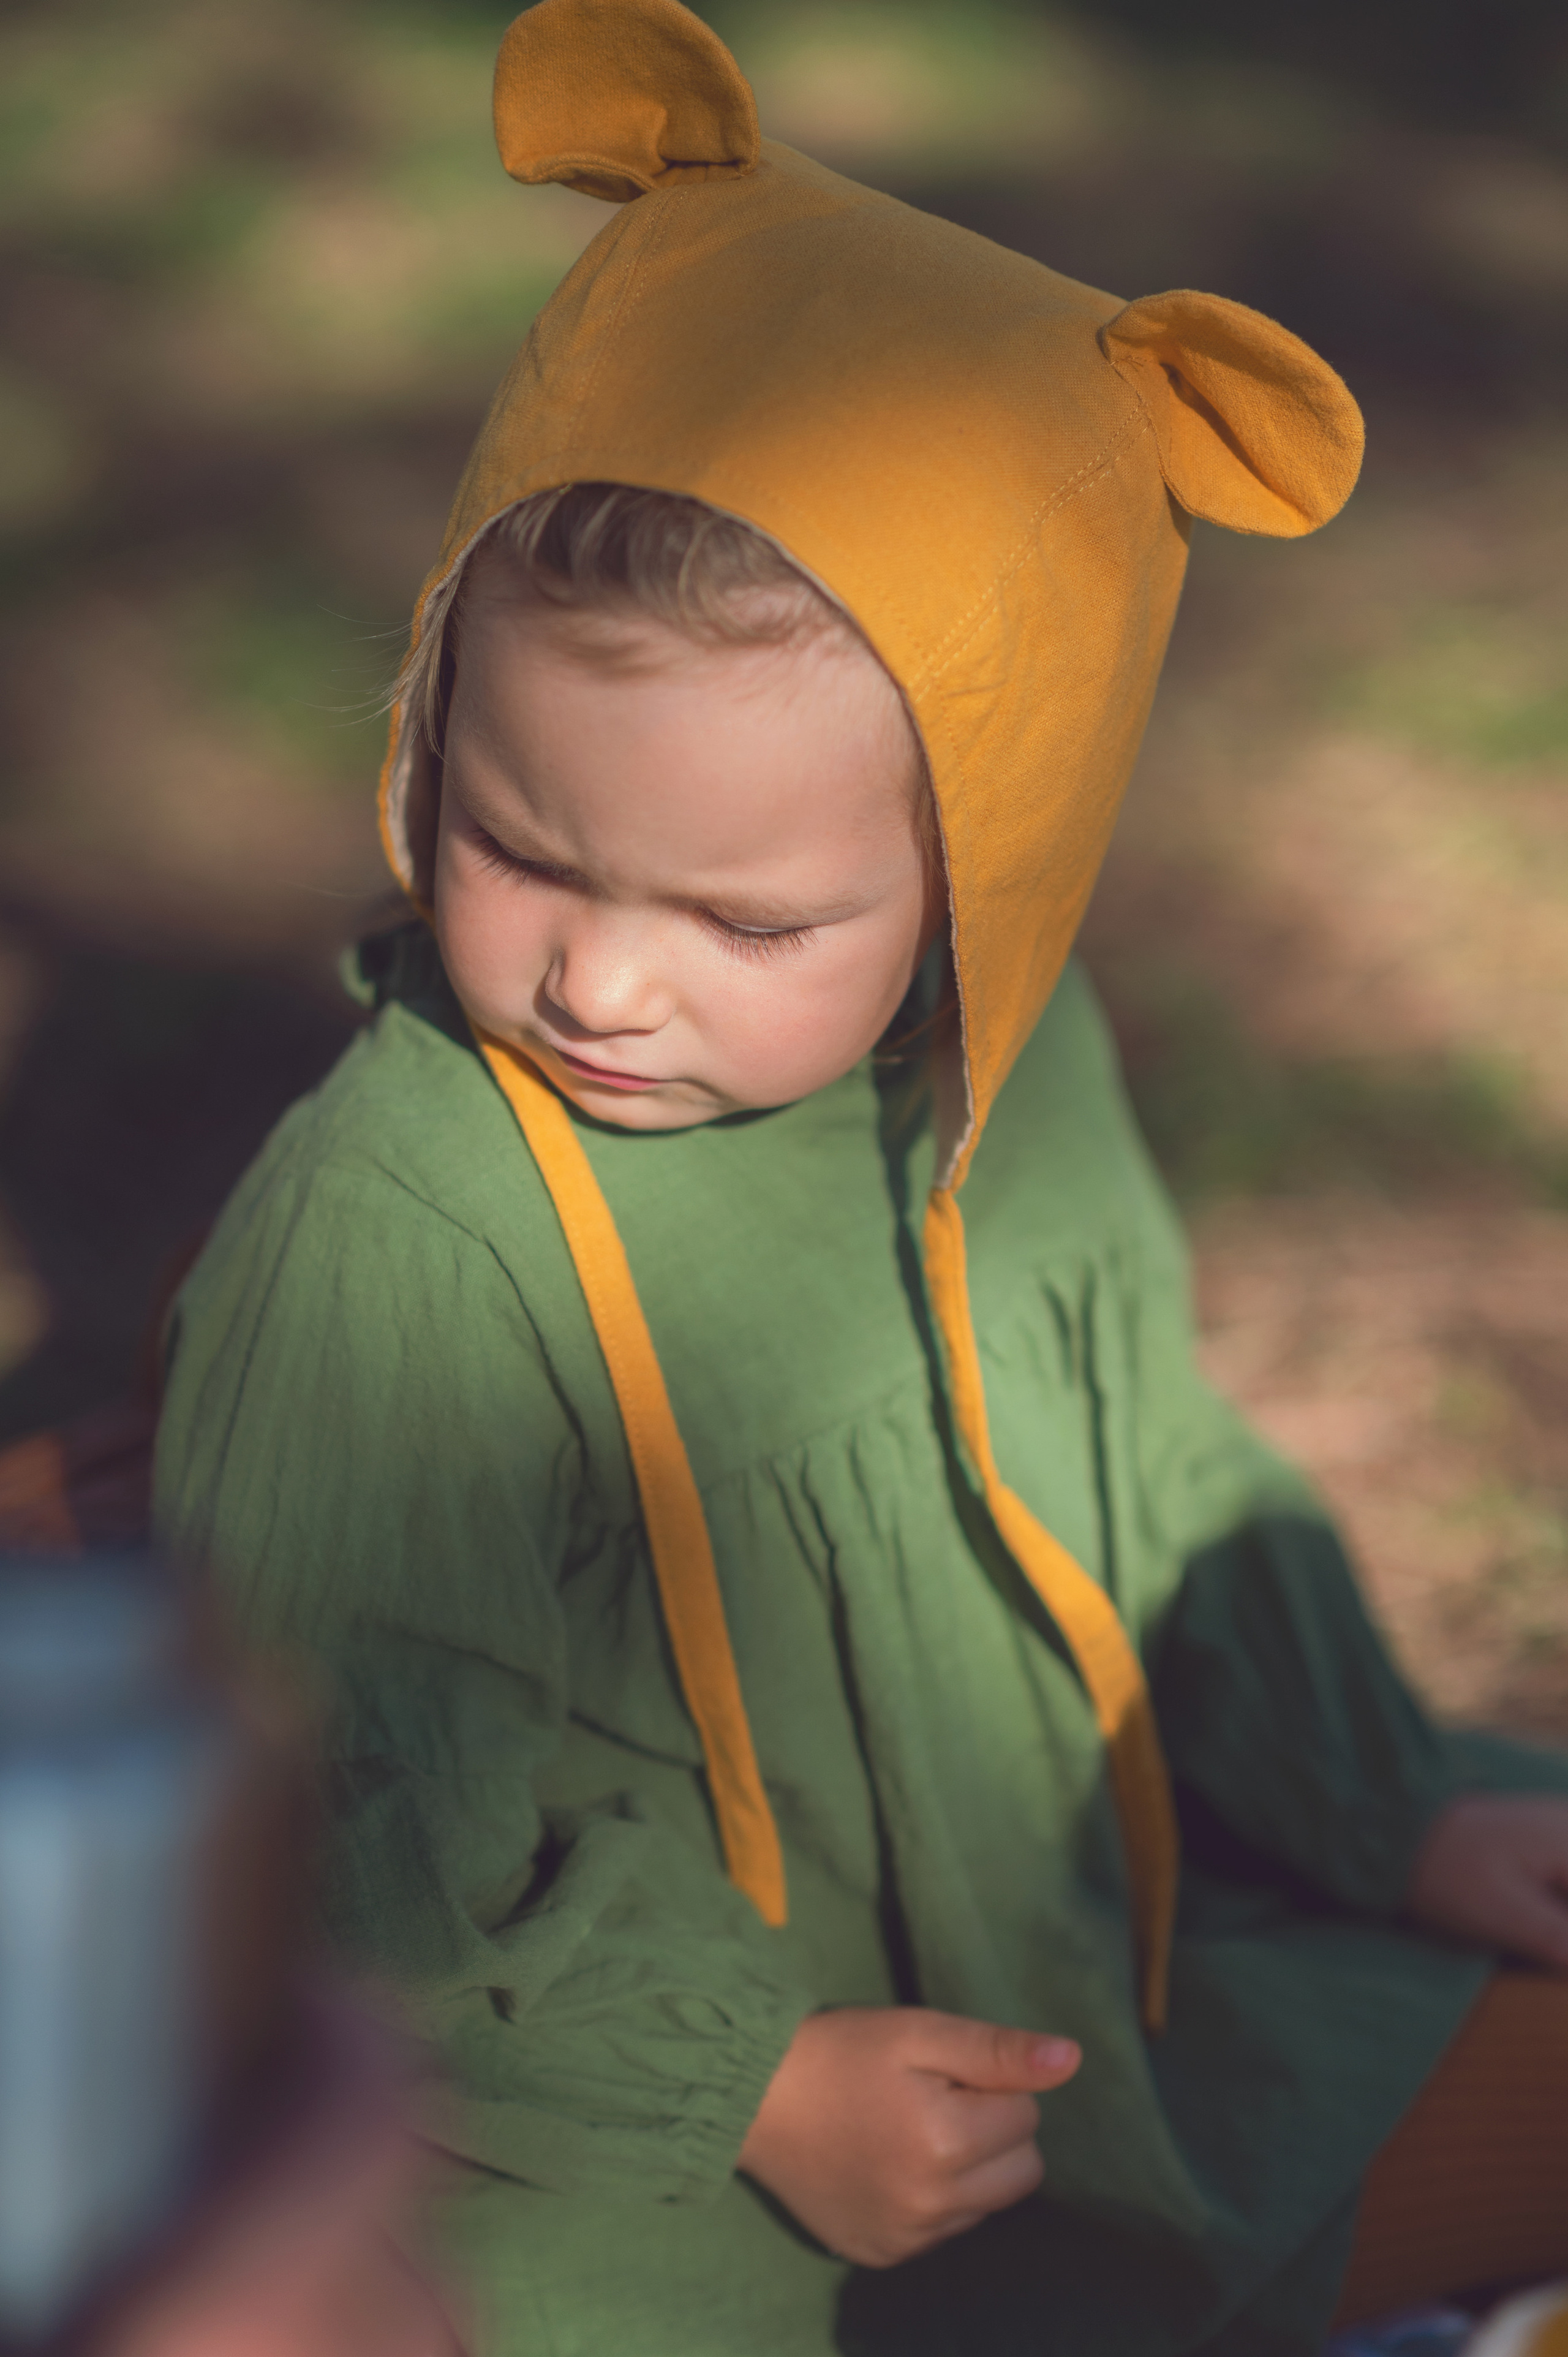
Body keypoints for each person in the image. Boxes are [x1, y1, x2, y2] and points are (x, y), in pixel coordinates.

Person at [152, 1, 1568, 2351]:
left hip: (1043, 1927)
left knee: (1445, 1950)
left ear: (985, 881)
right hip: (618, 2070)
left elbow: (1136, 1467)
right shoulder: (401, 1238)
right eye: (516, 848)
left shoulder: (1002, 1082)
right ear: (431, 711)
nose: (603, 985)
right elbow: (340, 1789)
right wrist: (747, 2080)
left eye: (747, 925)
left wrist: (1379, 1790)